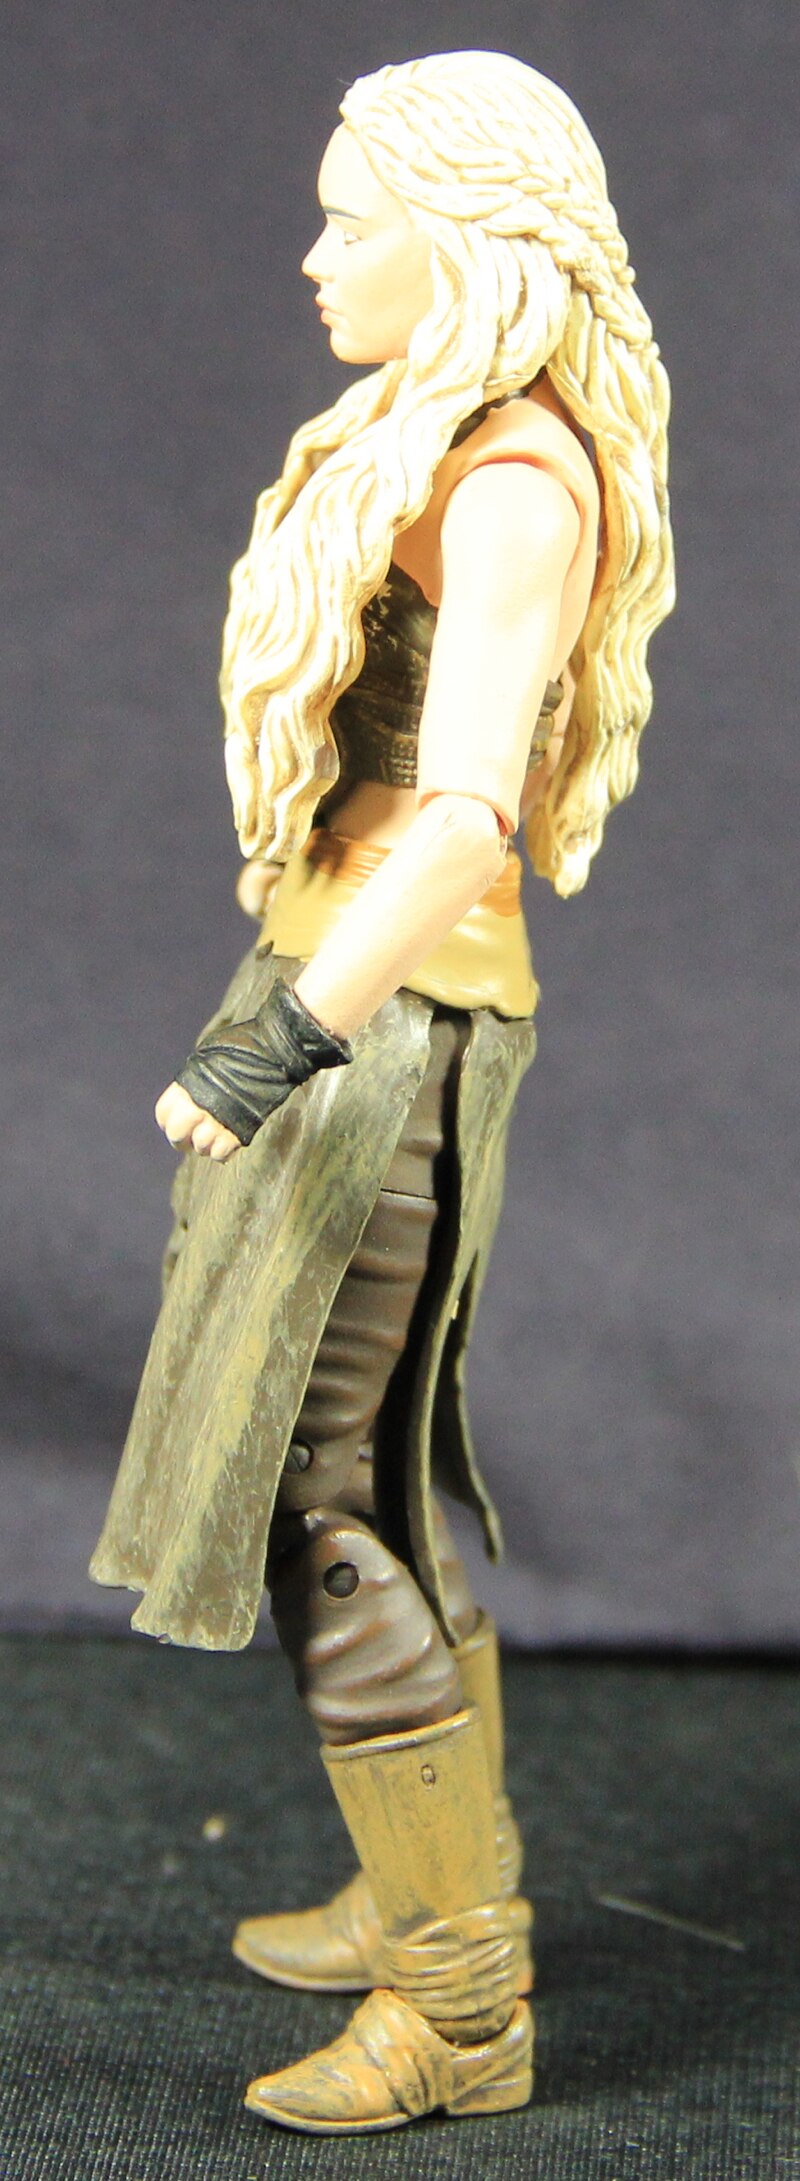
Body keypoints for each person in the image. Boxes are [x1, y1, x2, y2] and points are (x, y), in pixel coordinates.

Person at [91, 50, 674, 2134]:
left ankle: (460, 2003)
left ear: (473, 239)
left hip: (391, 1022)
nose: (316, 255)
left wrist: (274, 1039)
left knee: (322, 1500)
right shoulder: (445, 438)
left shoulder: (511, 477)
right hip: (362, 987)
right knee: (367, 1482)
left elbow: (463, 819)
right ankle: (439, 1884)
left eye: (355, 219)